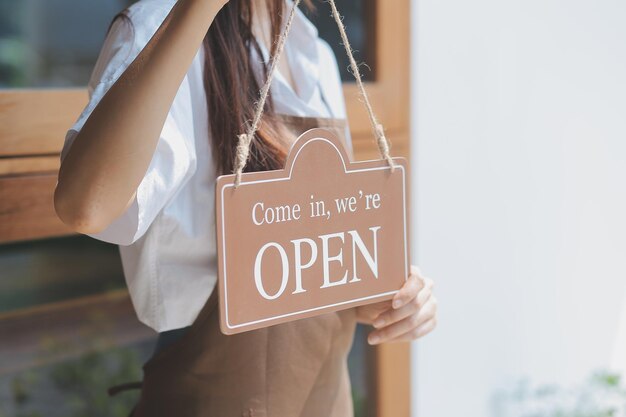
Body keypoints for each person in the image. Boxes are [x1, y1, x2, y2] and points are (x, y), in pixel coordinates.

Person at [54, 0, 438, 415]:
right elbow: (86, 206)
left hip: (327, 396)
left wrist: (381, 295)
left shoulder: (313, 49)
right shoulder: (159, 24)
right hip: (219, 388)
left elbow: (314, 248)